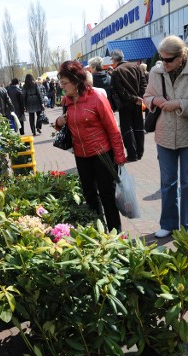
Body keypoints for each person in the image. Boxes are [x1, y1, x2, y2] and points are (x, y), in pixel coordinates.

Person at [144, 35, 188, 239]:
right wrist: (155, 99)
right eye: (161, 58)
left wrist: (179, 104)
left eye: (169, 59)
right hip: (164, 134)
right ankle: (168, 223)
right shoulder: (156, 71)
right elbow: (146, 96)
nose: (164, 63)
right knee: (167, 182)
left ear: (181, 56)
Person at [55, 60, 127, 232]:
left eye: (65, 83)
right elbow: (62, 125)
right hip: (81, 155)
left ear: (76, 80)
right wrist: (59, 122)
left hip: (102, 154)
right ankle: (99, 233)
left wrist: (119, 157)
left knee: (107, 196)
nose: (62, 87)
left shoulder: (96, 98)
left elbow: (113, 129)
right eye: (61, 83)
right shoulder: (67, 100)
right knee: (90, 196)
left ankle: (116, 234)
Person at [111, 49, 147, 161]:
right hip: (137, 103)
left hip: (125, 104)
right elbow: (144, 84)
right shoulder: (136, 67)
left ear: (115, 59)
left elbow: (120, 91)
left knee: (127, 129)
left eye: (112, 59)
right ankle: (139, 152)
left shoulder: (116, 71)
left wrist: (134, 98)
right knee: (139, 127)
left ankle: (132, 154)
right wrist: (139, 97)